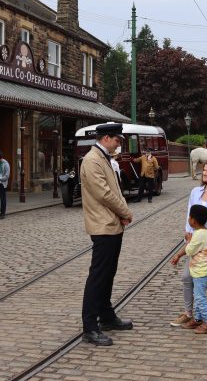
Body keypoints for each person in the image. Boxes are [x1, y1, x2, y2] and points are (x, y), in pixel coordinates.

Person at [80, 123, 134, 346]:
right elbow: (104, 194)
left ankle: (107, 317)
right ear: (106, 138)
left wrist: (121, 214)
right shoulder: (92, 160)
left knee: (108, 273)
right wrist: (125, 212)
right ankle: (90, 327)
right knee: (98, 276)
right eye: (117, 140)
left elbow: (116, 189)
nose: (119, 144)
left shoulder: (103, 158)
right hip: (103, 224)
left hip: (111, 223)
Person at [169, 159, 207, 329]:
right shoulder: (195, 192)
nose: (204, 173)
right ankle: (189, 313)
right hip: (196, 242)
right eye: (203, 170)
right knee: (187, 277)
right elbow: (190, 215)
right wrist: (187, 233)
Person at [170, 204, 207, 334]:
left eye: (189, 217)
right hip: (200, 270)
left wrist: (188, 240)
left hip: (202, 271)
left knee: (200, 297)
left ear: (193, 220)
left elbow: (190, 251)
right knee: (198, 294)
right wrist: (178, 254)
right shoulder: (202, 232)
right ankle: (197, 318)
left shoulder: (198, 235)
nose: (188, 219)